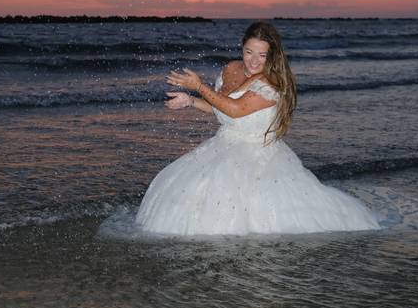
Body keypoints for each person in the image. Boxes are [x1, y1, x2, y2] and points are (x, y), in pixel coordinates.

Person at [135, 21, 380, 235]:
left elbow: (236, 109)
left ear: (272, 56)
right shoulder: (230, 69)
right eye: (249, 52)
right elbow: (220, 108)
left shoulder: (271, 85)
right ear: (242, 48)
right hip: (223, 144)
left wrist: (198, 86)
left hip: (258, 153)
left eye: (262, 55)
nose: (253, 61)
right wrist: (190, 101)